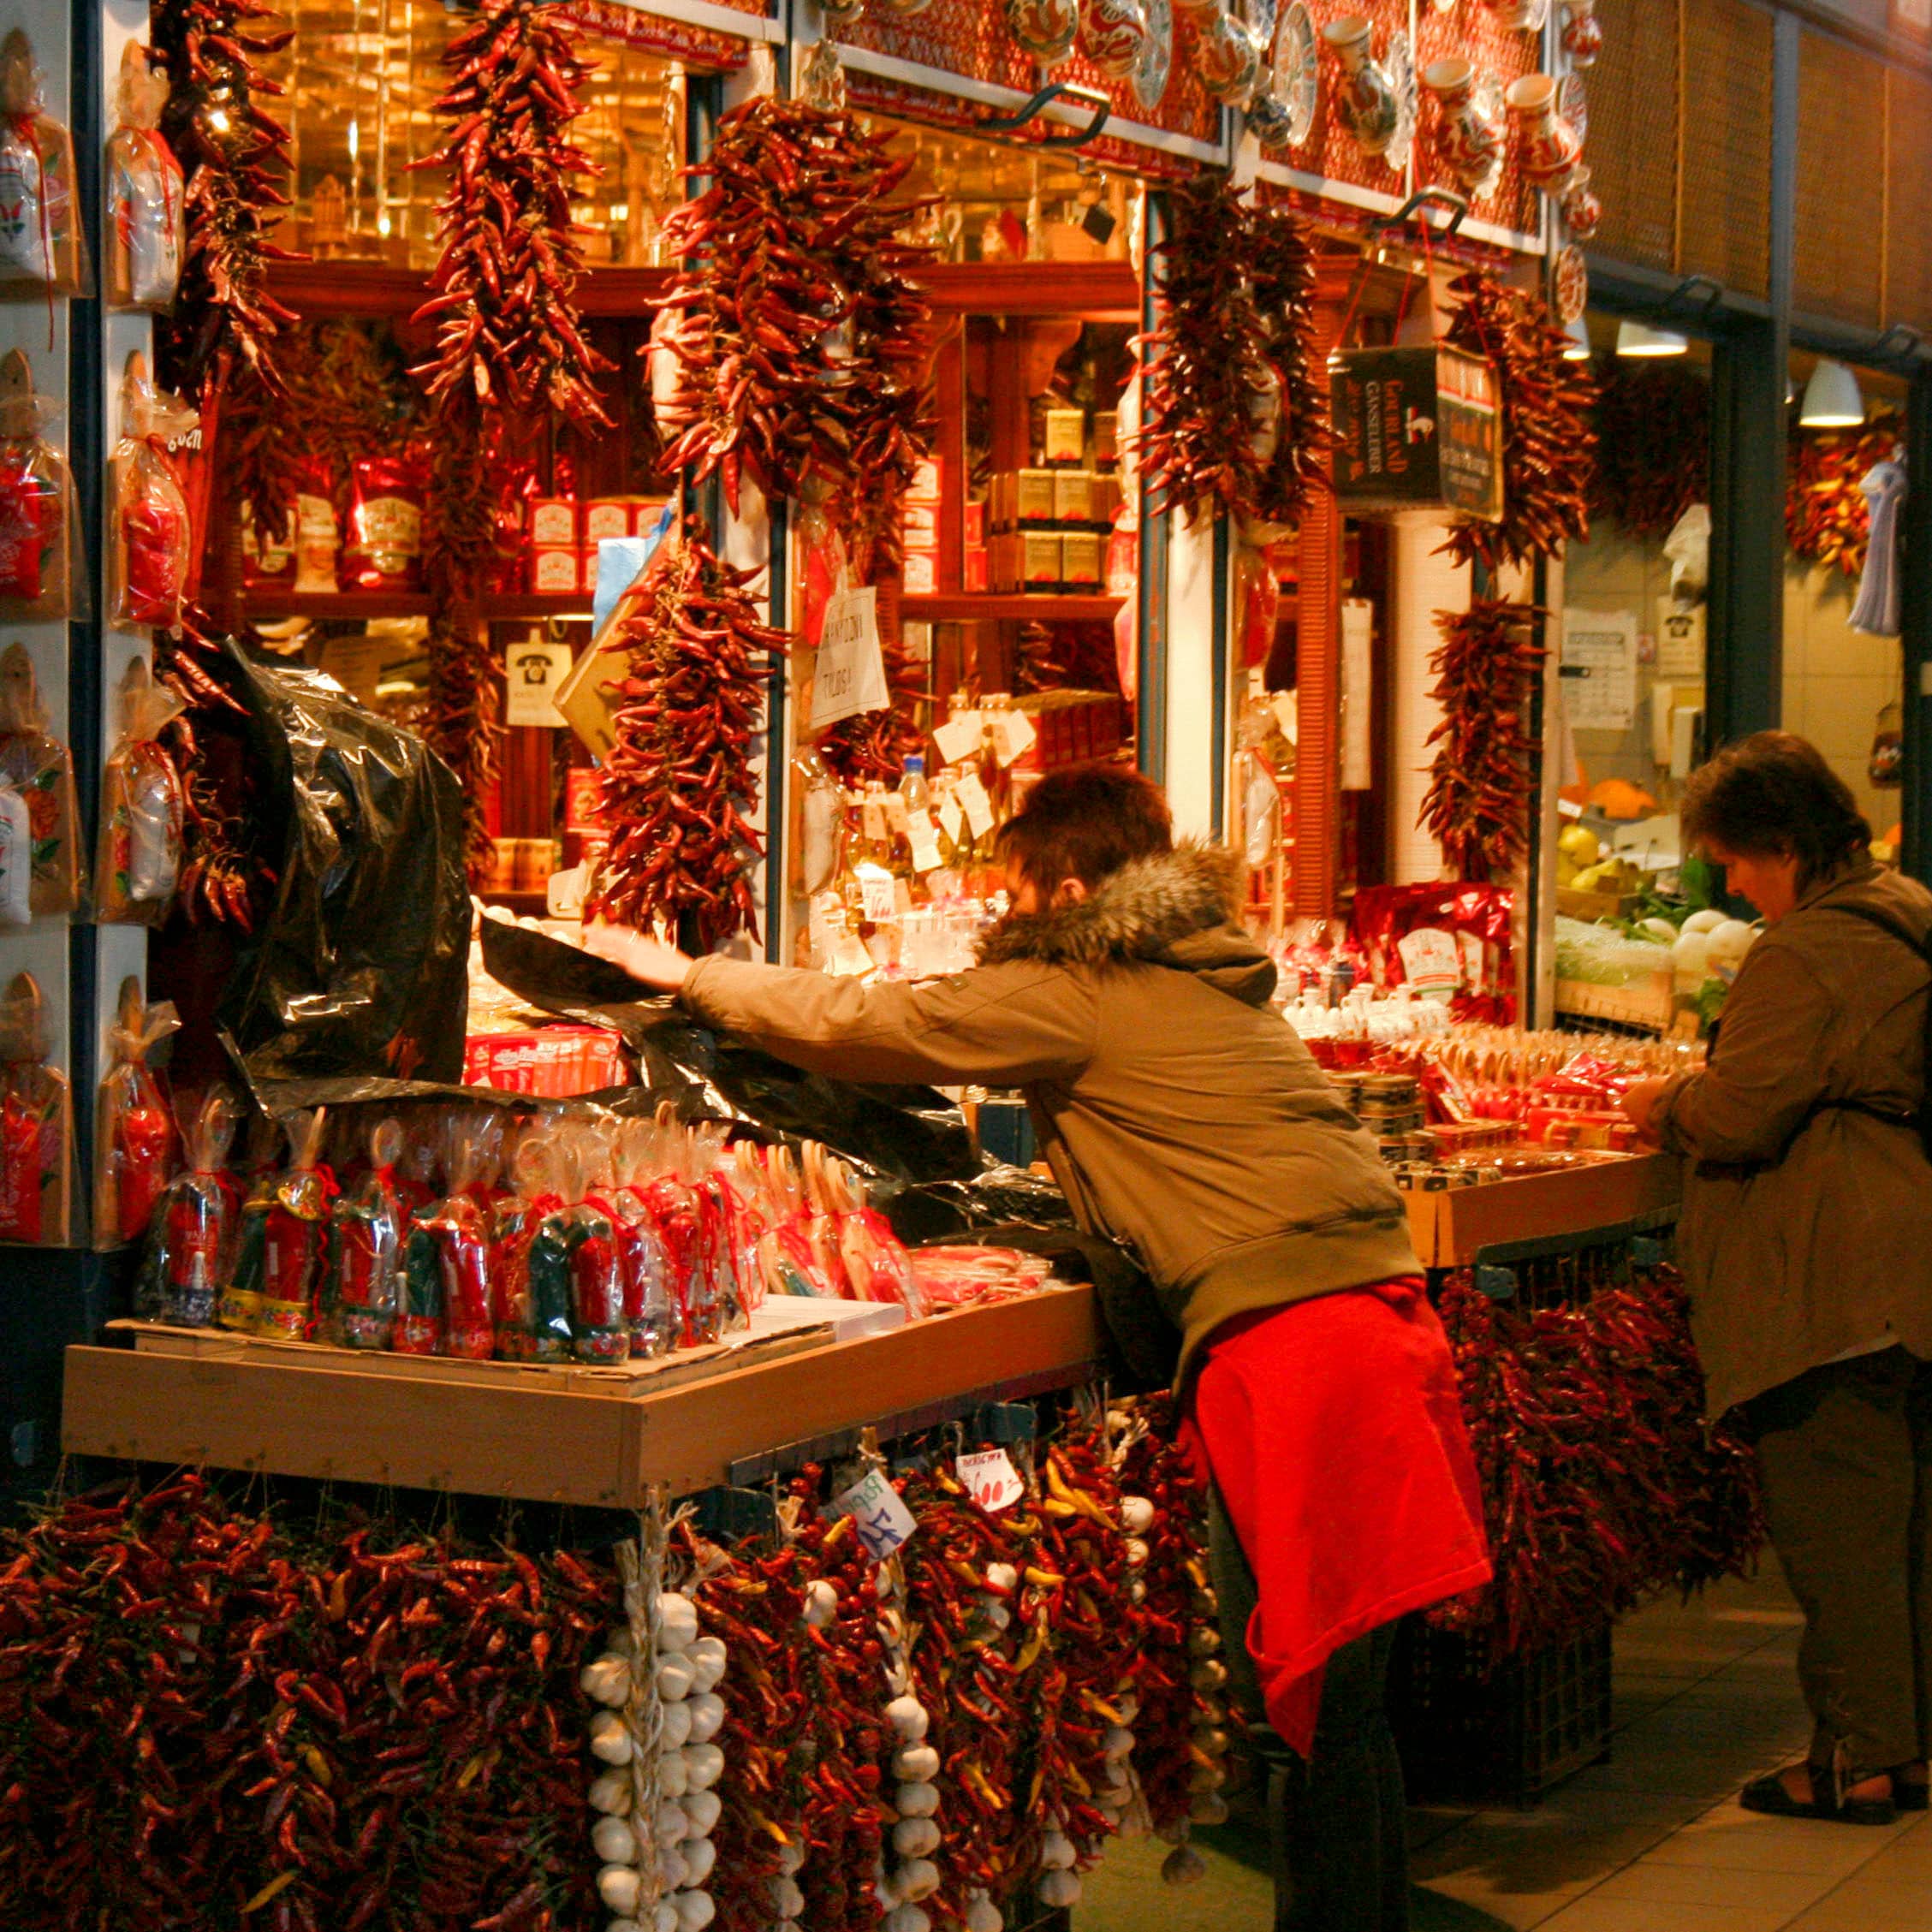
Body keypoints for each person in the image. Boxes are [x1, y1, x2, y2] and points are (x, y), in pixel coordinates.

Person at [586, 764, 1490, 1932]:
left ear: (1065, 886)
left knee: (1311, 1699)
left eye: (1010, 889)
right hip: (1373, 1315)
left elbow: (886, 1027)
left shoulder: (1085, 983)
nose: (998, 910)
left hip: (1295, 1344)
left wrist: (692, 976)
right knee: (1345, 1696)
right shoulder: (1202, 972)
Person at [1624, 732, 1932, 1825]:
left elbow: (1741, 1109)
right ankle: (1905, 1745)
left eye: (1740, 866)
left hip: (1830, 1279)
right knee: (1900, 1531)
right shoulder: (1905, 906)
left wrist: (1662, 1104)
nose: (1740, 890)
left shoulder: (1805, 952)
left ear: (1788, 848)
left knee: (1837, 1530)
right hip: (1904, 1261)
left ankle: (1855, 1762)